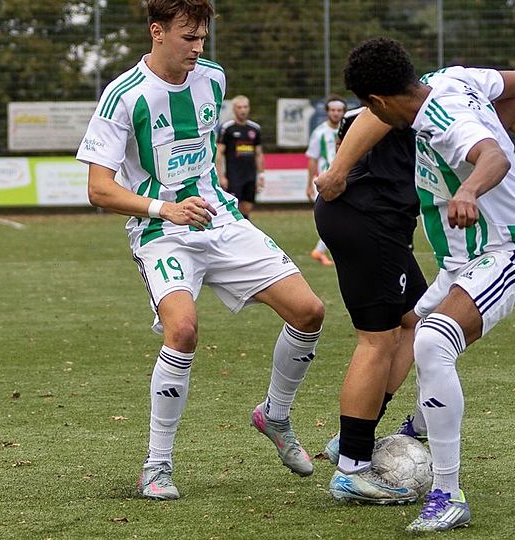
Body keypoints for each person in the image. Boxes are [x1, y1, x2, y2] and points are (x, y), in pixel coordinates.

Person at [315, 46, 515, 510]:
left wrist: (469, 189)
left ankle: (447, 494)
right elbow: (514, 100)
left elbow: (494, 156)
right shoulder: (456, 92)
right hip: (468, 259)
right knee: (412, 326)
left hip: (511, 250)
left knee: (433, 339)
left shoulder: (447, 89)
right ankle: (386, 431)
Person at [75, 0, 324, 501]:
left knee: (309, 311)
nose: (198, 47)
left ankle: (275, 415)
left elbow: (203, 153)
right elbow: (99, 189)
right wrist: (164, 209)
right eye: (188, 37)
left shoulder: (213, 78)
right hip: (161, 231)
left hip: (220, 218)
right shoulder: (123, 95)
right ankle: (157, 465)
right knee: (183, 330)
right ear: (157, 31)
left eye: (203, 37)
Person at [313, 107, 428, 504]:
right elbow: (377, 112)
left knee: (417, 317)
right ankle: (352, 469)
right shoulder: (462, 91)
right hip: (370, 217)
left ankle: (351, 438)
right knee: (377, 340)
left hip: (383, 219)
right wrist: (336, 172)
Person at [304, 96, 346, 266]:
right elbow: (312, 158)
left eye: (339, 110)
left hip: (343, 179)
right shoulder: (319, 132)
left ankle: (320, 251)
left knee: (340, 218)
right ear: (327, 112)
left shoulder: (348, 130)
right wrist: (309, 184)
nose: (336, 113)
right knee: (335, 217)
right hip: (325, 181)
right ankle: (320, 251)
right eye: (333, 110)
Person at [215, 95, 263, 219]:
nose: (243, 110)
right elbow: (219, 153)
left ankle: (244, 227)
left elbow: (258, 153)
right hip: (233, 176)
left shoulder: (255, 128)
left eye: (245, 107)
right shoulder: (227, 128)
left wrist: (261, 175)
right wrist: (221, 176)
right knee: (233, 208)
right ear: (234, 109)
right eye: (239, 107)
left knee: (247, 207)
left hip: (250, 175)